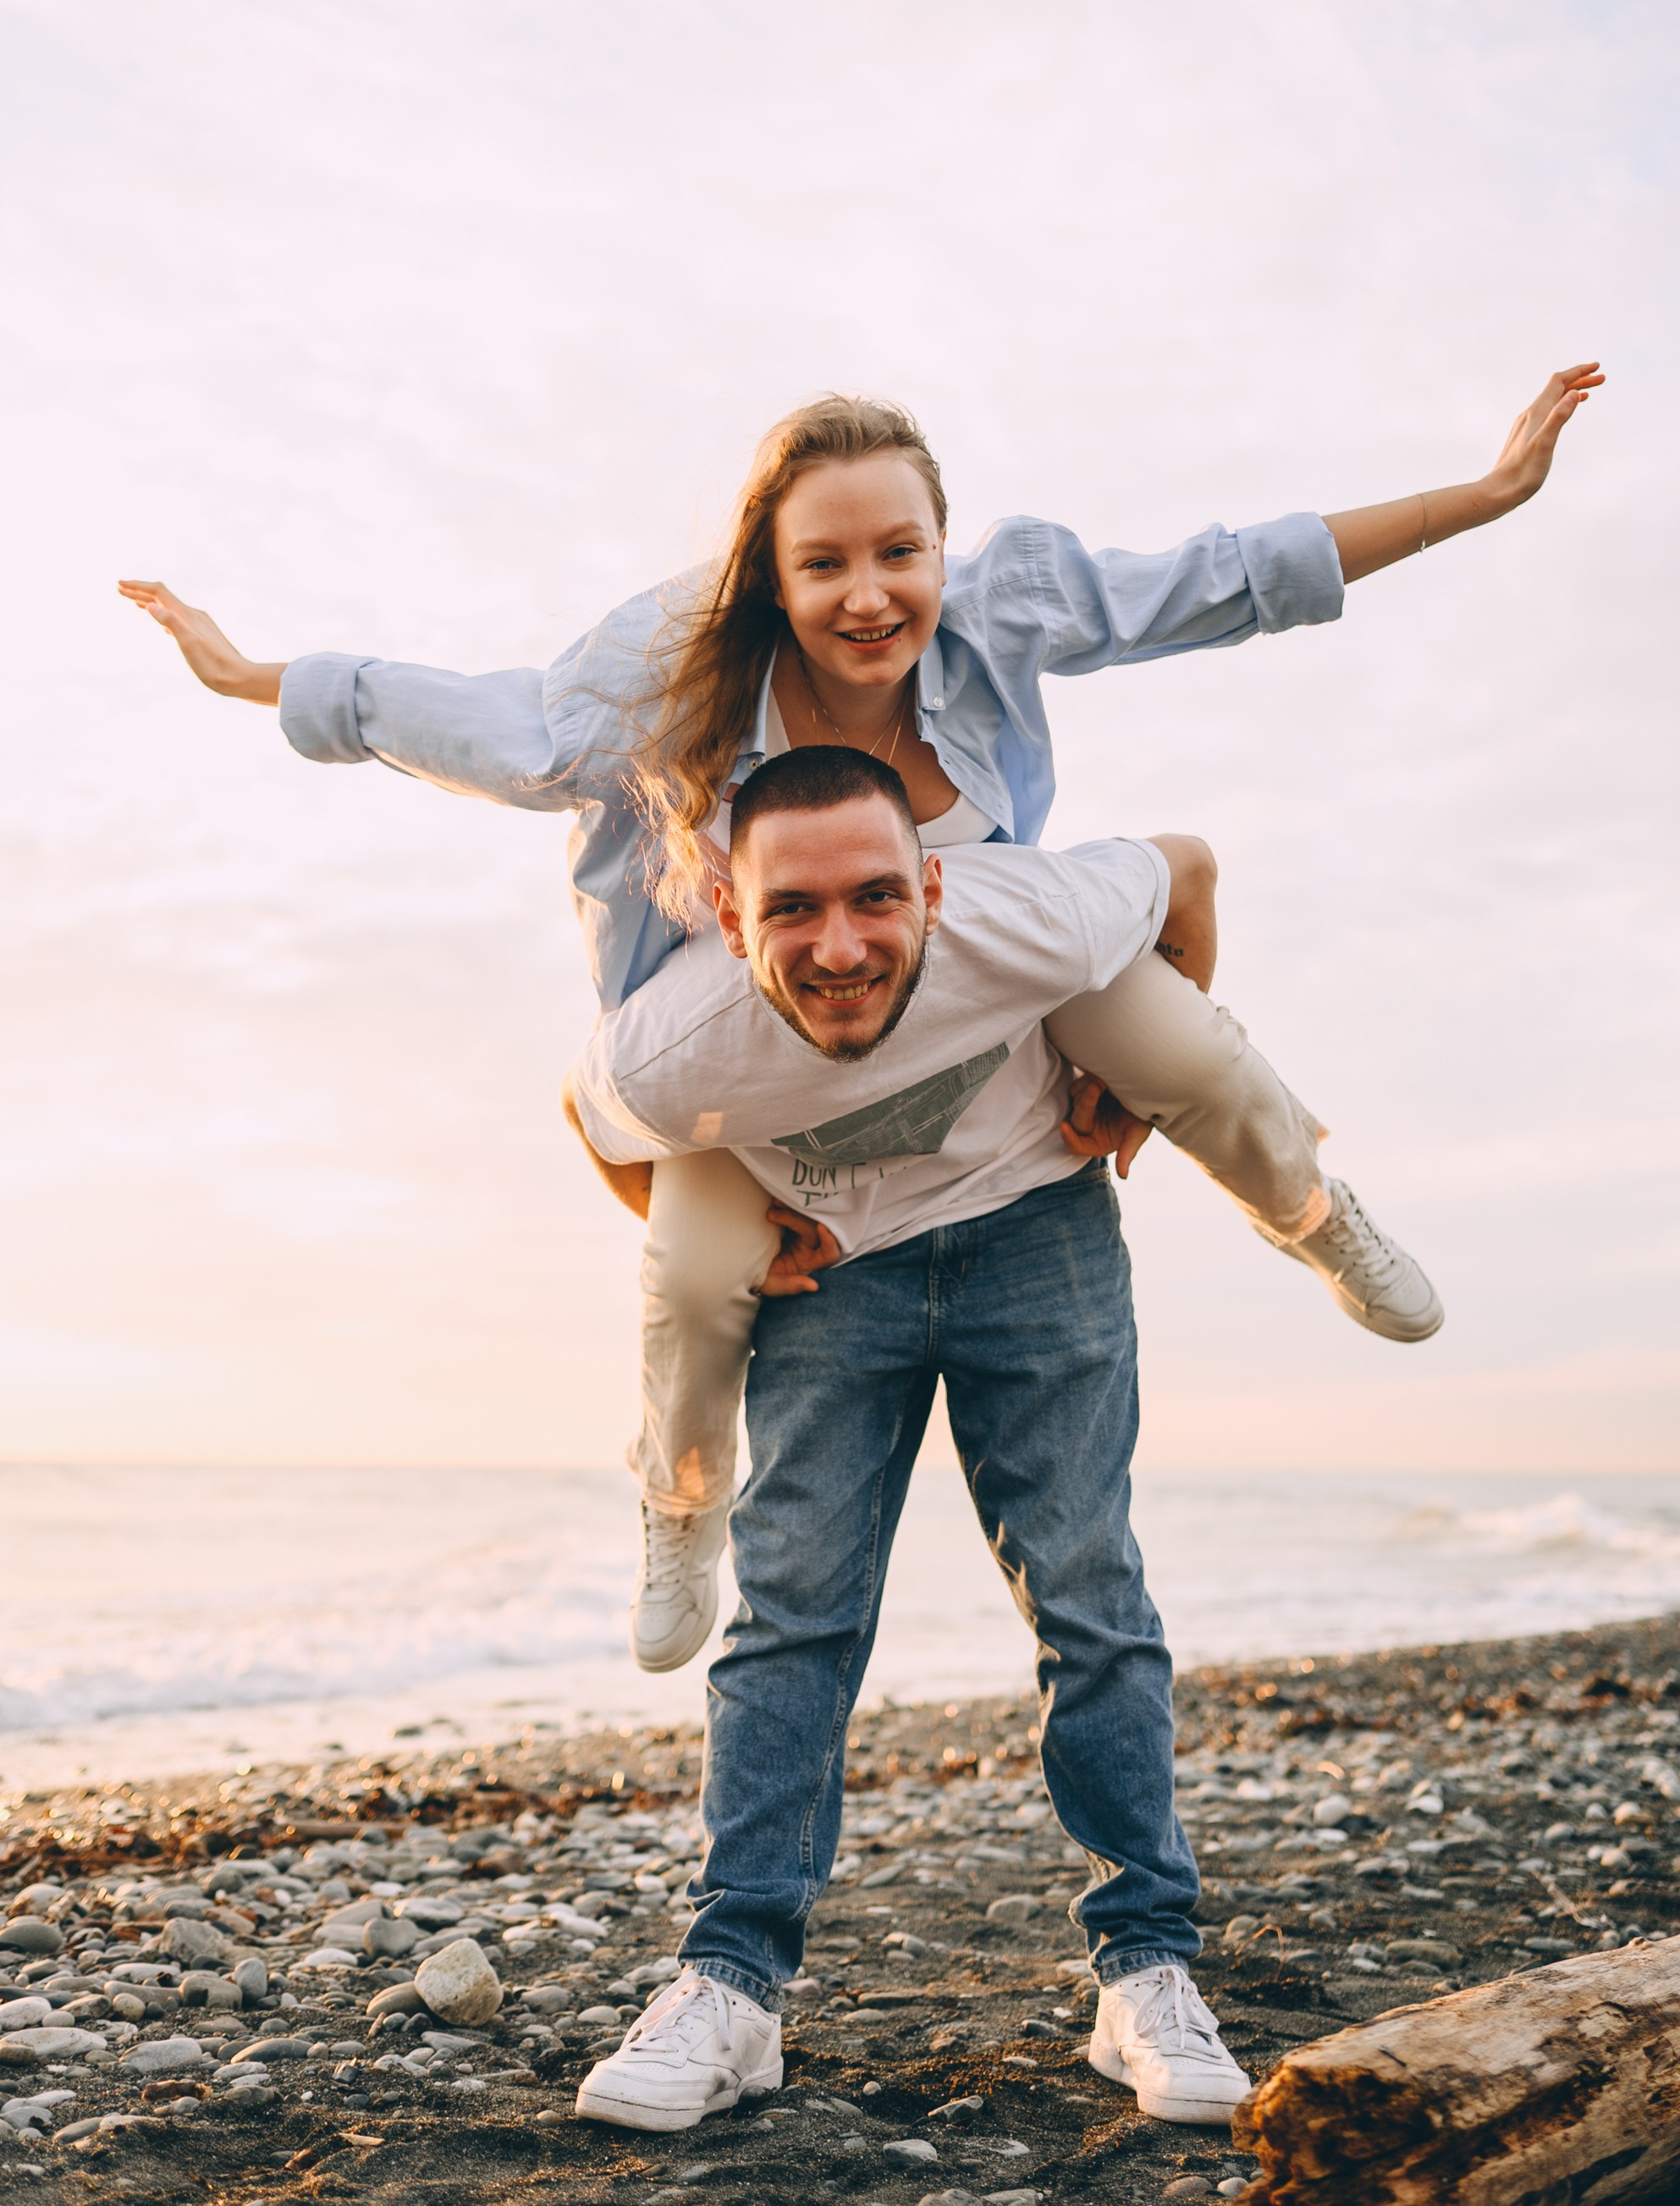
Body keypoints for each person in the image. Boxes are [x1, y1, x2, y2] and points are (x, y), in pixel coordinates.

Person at [119, 362, 1601, 1672]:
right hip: (751, 1041)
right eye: (823, 562)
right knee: (695, 1287)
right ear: (771, 571)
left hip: (976, 982)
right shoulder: (667, 673)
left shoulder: (994, 607)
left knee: (1185, 1047)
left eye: (901, 551)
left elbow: (1219, 580)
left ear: (942, 548)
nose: (869, 593)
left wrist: (1480, 493)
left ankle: (1310, 1211)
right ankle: (679, 1500)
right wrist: (261, 676)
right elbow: (484, 728)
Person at [565, 743, 1254, 2131]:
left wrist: (1135, 1066)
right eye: (793, 912)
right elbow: (598, 1119)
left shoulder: (1032, 915)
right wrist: (741, 1229)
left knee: (1088, 1590)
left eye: (876, 899)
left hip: (1037, 1229)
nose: (838, 944)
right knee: (793, 1613)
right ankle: (732, 1982)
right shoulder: (672, 1033)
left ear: (935, 890)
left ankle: (1147, 1968)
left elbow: (1185, 877)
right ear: (730, 909)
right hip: (841, 1266)